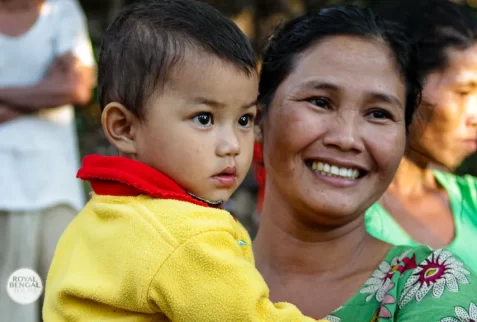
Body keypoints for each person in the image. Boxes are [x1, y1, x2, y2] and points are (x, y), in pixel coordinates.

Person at [42, 1, 326, 321]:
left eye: (245, 120)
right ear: (124, 128)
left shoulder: (102, 214)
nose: (232, 145)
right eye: (204, 118)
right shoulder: (185, 235)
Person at [252, 6, 477, 321]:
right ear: (257, 119)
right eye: (320, 102)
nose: (346, 138)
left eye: (378, 113)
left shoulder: (431, 285)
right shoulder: (186, 266)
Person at [0, 0, 95, 321]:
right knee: (13, 298)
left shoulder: (62, 10)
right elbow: (64, 87)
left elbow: (77, 87)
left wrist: (5, 99)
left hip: (54, 187)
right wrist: (43, 89)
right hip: (5, 192)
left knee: (64, 297)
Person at [365, 0, 477, 272]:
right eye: (463, 92)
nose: (474, 115)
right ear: (402, 85)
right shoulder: (345, 210)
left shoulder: (472, 200)